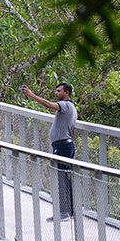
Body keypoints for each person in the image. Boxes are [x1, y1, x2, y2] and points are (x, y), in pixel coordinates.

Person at [21, 82, 77, 222]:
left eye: (59, 91)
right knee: (65, 178)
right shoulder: (71, 108)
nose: (56, 93)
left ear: (67, 93)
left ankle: (64, 213)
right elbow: (73, 128)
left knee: (61, 179)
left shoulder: (65, 105)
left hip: (62, 147)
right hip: (65, 145)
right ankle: (69, 211)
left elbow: (49, 105)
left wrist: (31, 95)